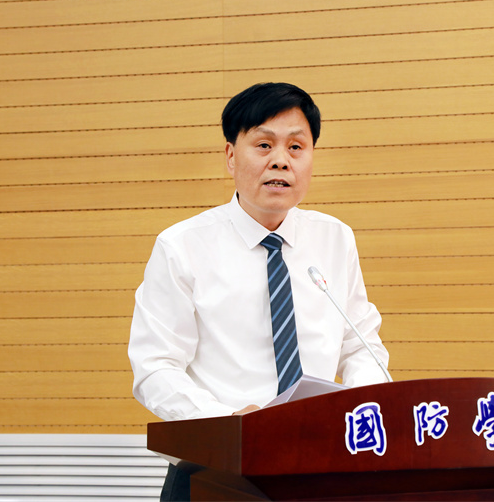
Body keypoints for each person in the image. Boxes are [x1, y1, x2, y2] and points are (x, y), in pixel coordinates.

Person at [128, 82, 390, 500]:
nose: (281, 161)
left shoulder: (334, 239)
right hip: (216, 471)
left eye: (296, 147)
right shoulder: (182, 246)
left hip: (316, 469)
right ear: (231, 156)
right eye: (264, 145)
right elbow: (155, 367)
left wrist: (356, 411)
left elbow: (361, 346)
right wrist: (232, 424)